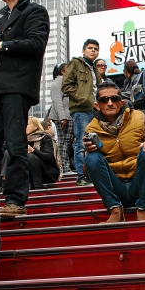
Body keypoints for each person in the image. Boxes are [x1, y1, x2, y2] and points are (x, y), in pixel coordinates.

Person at [0, 0, 50, 217]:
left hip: (17, 87)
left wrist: (1, 45)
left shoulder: (35, 11)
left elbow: (36, 44)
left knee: (15, 144)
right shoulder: (1, 20)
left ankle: (15, 200)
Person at [83, 81, 145, 223]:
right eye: (104, 100)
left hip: (144, 186)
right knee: (92, 157)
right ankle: (115, 210)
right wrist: (87, 155)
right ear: (97, 105)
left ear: (122, 102)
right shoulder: (91, 129)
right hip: (116, 189)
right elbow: (89, 174)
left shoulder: (140, 118)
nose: (109, 103)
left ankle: (143, 208)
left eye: (114, 98)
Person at [63, 39, 103, 186]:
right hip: (81, 109)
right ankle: (81, 177)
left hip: (95, 110)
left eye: (96, 49)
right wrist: (83, 100)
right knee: (81, 143)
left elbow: (98, 89)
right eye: (90, 48)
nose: (93, 51)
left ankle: (93, 175)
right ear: (83, 50)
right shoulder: (76, 63)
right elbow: (66, 86)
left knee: (96, 143)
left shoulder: (94, 69)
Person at [48, 62, 73, 173]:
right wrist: (63, 117)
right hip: (63, 117)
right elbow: (57, 101)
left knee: (68, 142)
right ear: (63, 71)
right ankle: (65, 168)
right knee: (64, 142)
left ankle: (68, 166)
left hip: (69, 116)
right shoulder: (58, 82)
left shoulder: (67, 82)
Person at [26, 117, 61, 190]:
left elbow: (49, 157)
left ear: (36, 126)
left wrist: (33, 150)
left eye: (27, 124)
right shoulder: (21, 139)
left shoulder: (45, 137)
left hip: (46, 172)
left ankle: (37, 186)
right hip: (27, 174)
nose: (24, 127)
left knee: (31, 157)